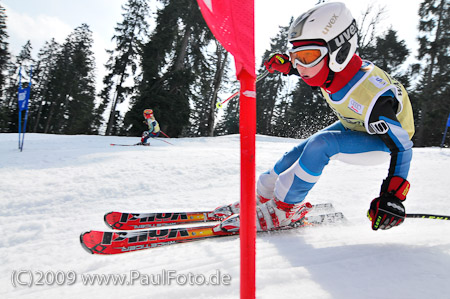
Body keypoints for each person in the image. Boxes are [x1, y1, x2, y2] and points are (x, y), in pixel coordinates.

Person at [215, 2, 414, 232]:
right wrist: (287, 66)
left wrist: (393, 196)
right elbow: (313, 70)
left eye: (306, 57)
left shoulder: (371, 96)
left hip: (383, 142)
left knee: (321, 145)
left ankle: (284, 209)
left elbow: (403, 146)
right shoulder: (332, 69)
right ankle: (262, 195)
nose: (299, 66)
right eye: (295, 56)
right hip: (356, 124)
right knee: (302, 149)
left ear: (338, 51)